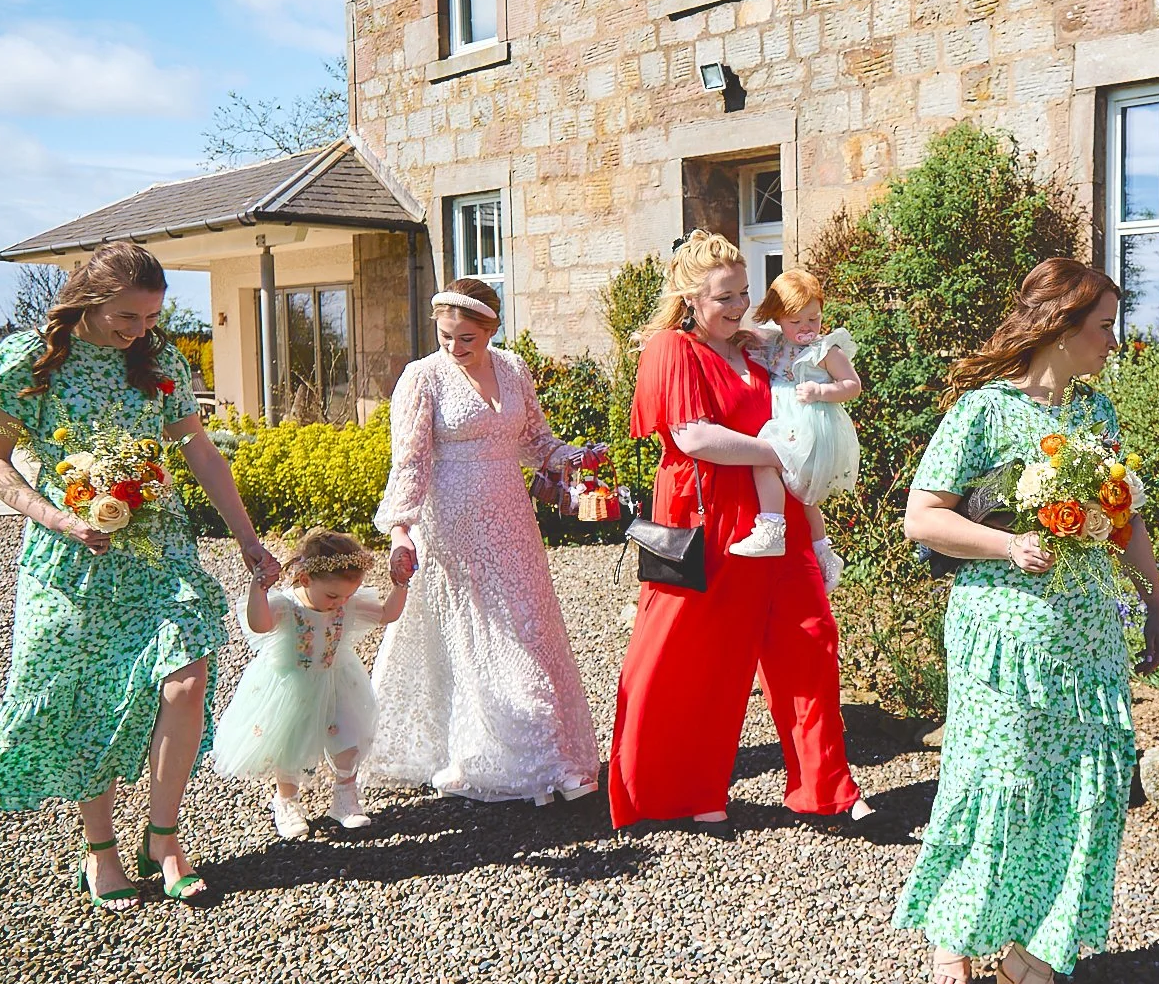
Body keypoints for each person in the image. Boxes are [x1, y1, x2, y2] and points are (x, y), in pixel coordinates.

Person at [895, 258, 1159, 984]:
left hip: (1085, 639)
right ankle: (969, 931)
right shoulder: (983, 412)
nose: (1115, 341)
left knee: (1074, 791)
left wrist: (1154, 602)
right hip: (1003, 636)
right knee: (998, 779)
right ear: (1062, 327)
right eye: (1105, 326)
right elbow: (923, 518)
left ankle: (1030, 952)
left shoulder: (1098, 413)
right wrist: (1006, 544)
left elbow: (1126, 519)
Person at [0, 242, 283, 910]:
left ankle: (163, 840)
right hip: (72, 554)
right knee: (88, 694)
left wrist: (250, 539)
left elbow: (198, 449)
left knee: (187, 679)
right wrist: (53, 516)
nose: (139, 330)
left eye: (150, 316)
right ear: (89, 297)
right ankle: (100, 850)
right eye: (127, 316)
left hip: (157, 548)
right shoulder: (31, 359)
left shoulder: (158, 359)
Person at [607, 233, 870, 829]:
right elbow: (692, 437)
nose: (739, 306)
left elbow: (809, 386)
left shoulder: (754, 348)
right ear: (690, 297)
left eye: (746, 293)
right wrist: (777, 453)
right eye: (725, 297)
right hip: (707, 516)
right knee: (692, 659)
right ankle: (676, 792)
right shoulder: (672, 350)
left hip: (779, 518)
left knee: (811, 640)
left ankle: (826, 790)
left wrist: (816, 517)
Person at [368, 278, 601, 805]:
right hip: (451, 523)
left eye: (466, 338)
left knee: (530, 624)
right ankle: (543, 762)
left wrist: (573, 456)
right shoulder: (422, 378)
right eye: (445, 335)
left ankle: (546, 752)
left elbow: (534, 440)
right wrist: (401, 529)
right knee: (487, 632)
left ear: (491, 330)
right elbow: (408, 460)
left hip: (512, 520)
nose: (453, 346)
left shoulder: (514, 369)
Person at [211, 528, 412, 838]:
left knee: (347, 735)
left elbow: (386, 614)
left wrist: (400, 585)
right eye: (333, 596)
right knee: (290, 743)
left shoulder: (344, 602)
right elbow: (259, 624)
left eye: (347, 595)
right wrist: (259, 588)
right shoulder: (287, 607)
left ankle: (345, 797)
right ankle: (287, 801)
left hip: (336, 680)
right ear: (305, 579)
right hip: (293, 686)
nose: (340, 603)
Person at [731, 269, 862, 590]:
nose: (806, 328)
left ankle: (772, 526)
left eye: (813, 320)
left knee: (763, 461)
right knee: (805, 498)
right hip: (787, 424)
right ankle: (824, 552)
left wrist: (821, 392)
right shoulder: (777, 344)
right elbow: (751, 340)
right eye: (796, 322)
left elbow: (852, 385)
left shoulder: (825, 350)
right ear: (778, 318)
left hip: (810, 429)